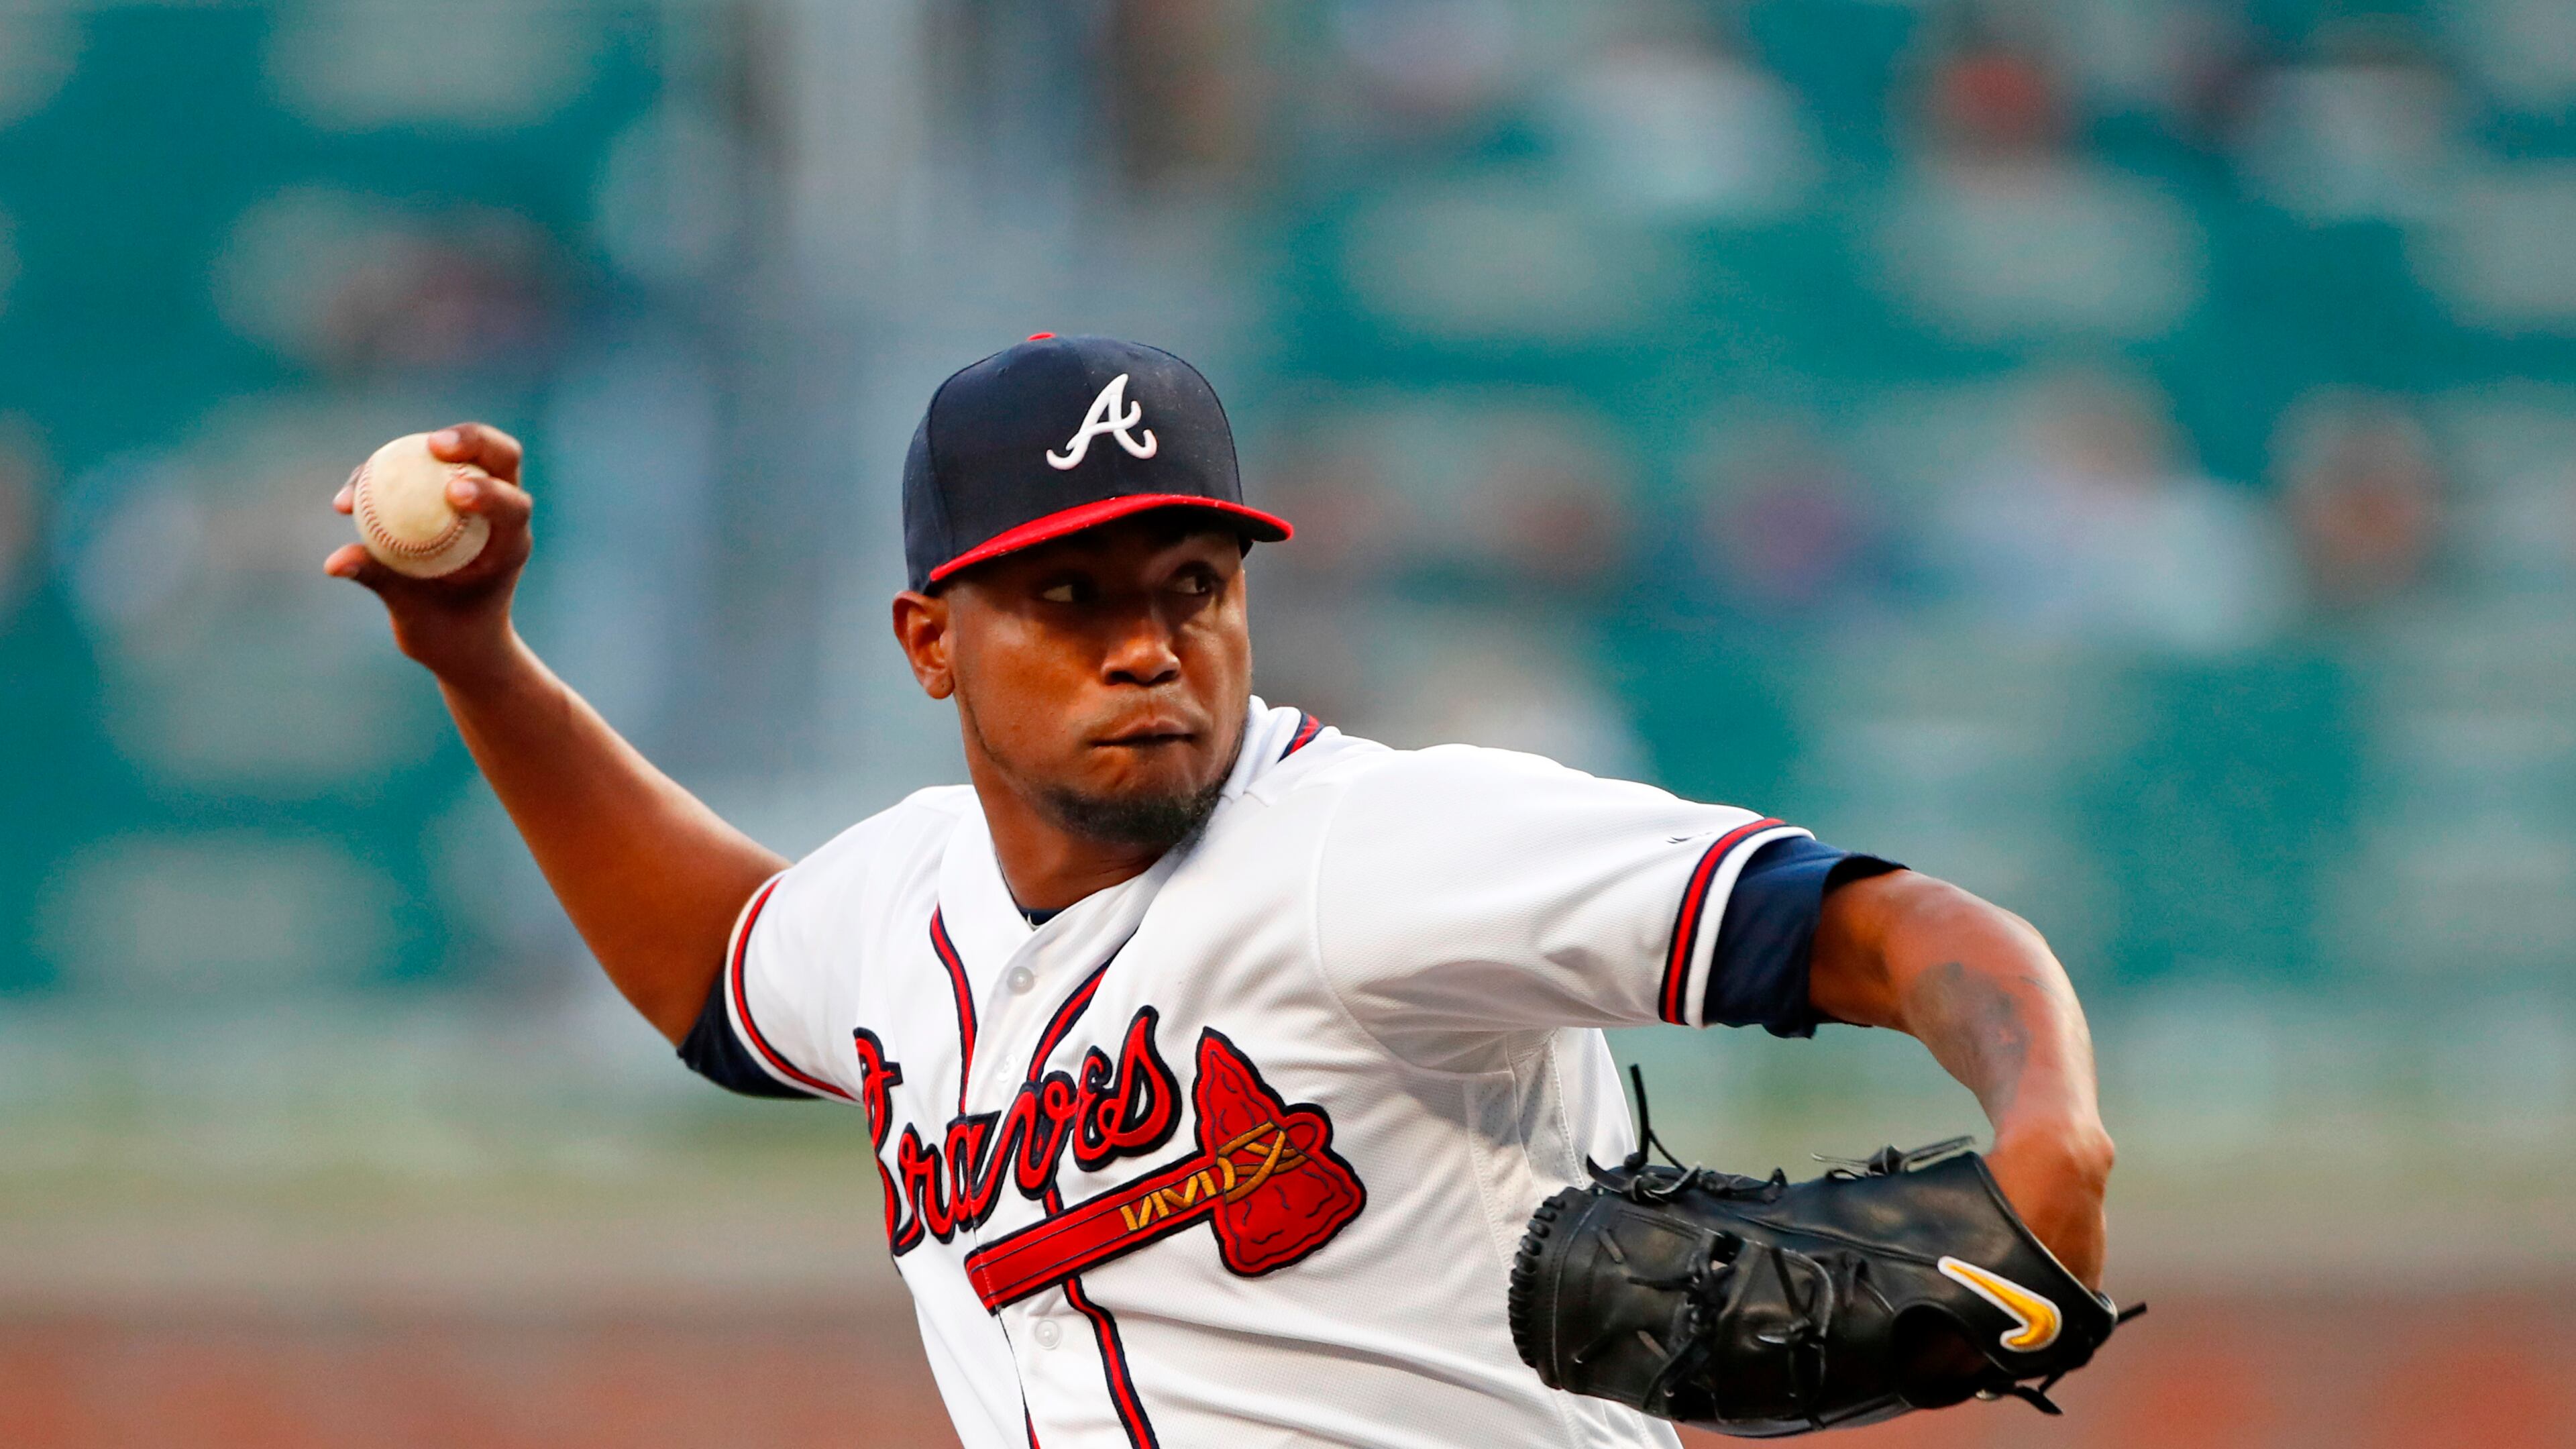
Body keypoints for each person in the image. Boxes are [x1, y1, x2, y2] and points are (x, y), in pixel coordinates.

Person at [325, 335, 2113, 1449]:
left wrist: (2048, 1138)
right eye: (1071, 599)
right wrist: (482, 663)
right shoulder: (902, 905)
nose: (1147, 647)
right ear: (931, 644)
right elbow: (722, 972)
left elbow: (1896, 929)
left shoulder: (1383, 850)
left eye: (1188, 584)